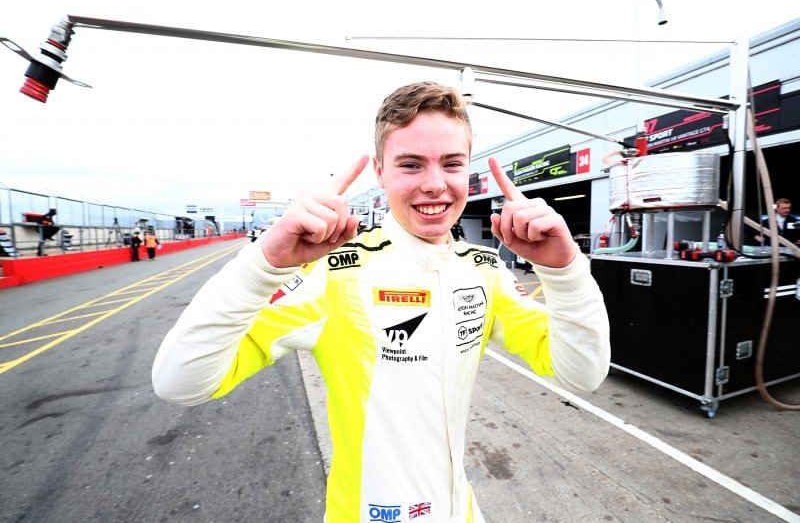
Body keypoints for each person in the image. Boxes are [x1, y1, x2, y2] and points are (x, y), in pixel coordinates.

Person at [152, 81, 610, 522]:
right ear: (380, 171)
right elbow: (179, 382)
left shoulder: (484, 270)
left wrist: (565, 270)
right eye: (411, 165)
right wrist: (263, 265)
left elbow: (583, 373)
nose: (435, 184)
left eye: (452, 164)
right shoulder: (335, 272)